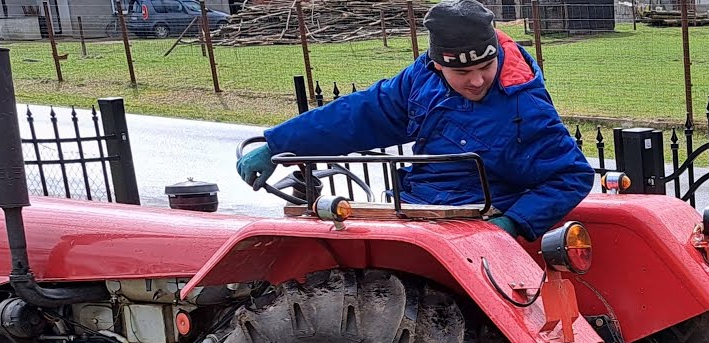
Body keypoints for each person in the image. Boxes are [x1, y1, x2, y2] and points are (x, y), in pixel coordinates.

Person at [235, 0, 594, 241]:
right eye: (463, 71)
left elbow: (571, 175)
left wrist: (512, 223)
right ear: (438, 64)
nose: (477, 80)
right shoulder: (420, 80)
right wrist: (279, 144)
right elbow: (360, 114)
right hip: (414, 206)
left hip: (476, 221)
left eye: (485, 67)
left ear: (497, 52)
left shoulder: (524, 107)